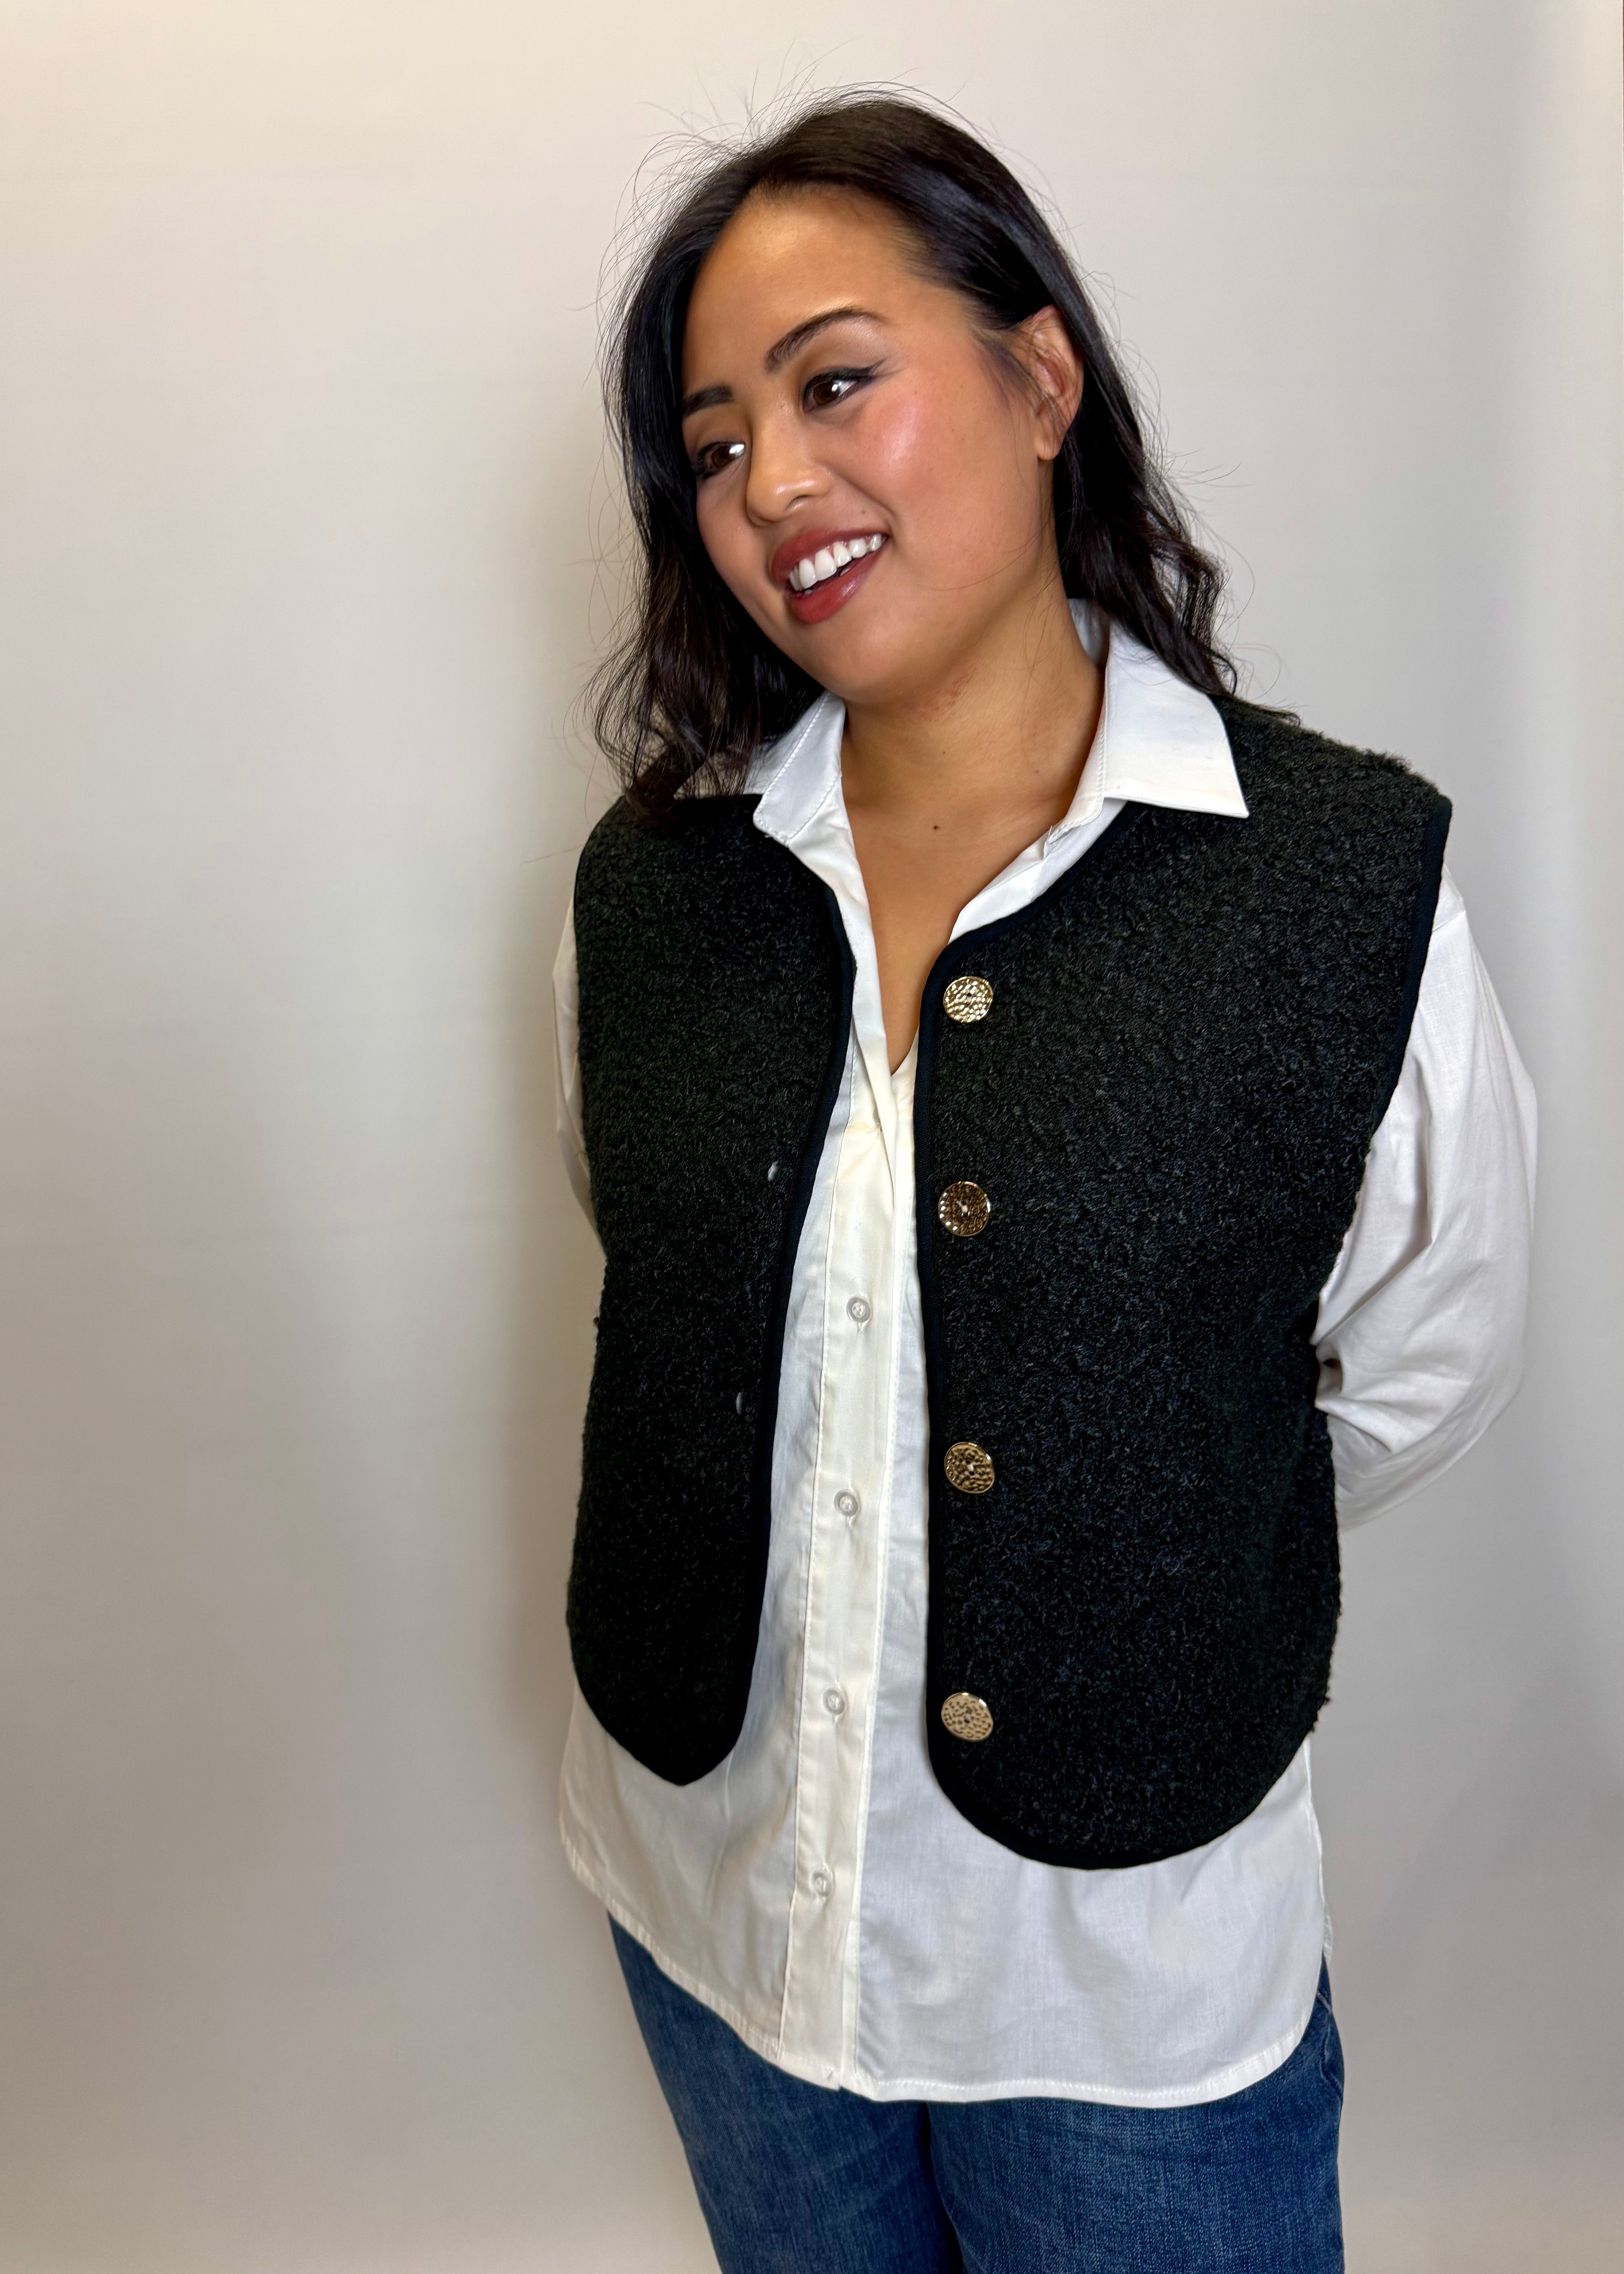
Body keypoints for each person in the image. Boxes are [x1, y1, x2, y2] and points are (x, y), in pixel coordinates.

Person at [549, 92, 1536, 2274]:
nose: (772, 488)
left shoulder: (1333, 885)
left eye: (835, 383)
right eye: (714, 445)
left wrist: (1143, 1503)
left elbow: (1418, 1359)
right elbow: (681, 1280)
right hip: (718, 1915)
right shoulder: (653, 895)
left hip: (1114, 1981)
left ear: (1039, 375)